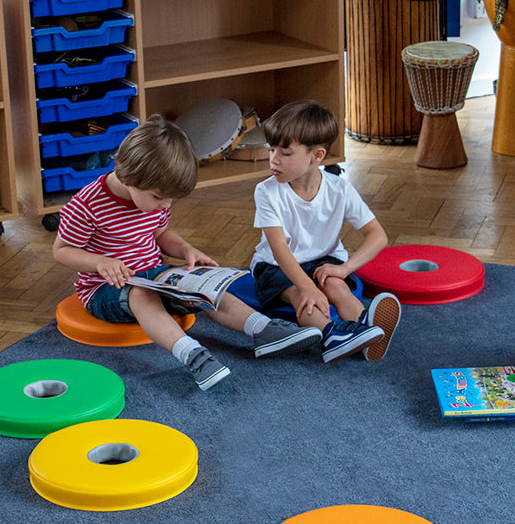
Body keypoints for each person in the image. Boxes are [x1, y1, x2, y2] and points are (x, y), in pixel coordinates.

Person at [52, 115, 321, 390]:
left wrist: (187, 250)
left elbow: (160, 235)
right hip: (106, 287)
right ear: (127, 177)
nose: (165, 205)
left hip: (153, 273)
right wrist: (100, 262)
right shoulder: (86, 205)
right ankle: (192, 355)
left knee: (205, 286)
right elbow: (61, 251)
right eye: (159, 198)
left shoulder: (153, 199)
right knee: (143, 295)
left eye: (171, 199)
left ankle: (263, 329)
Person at [250, 100, 401, 362]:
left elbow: (378, 236)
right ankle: (332, 334)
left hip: (325, 260)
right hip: (275, 266)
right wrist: (308, 287)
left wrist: (344, 268)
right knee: (302, 296)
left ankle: (366, 328)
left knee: (337, 286)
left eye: (285, 153)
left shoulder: (339, 189)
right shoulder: (266, 191)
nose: (273, 159)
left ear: (316, 156)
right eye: (271, 149)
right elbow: (279, 249)